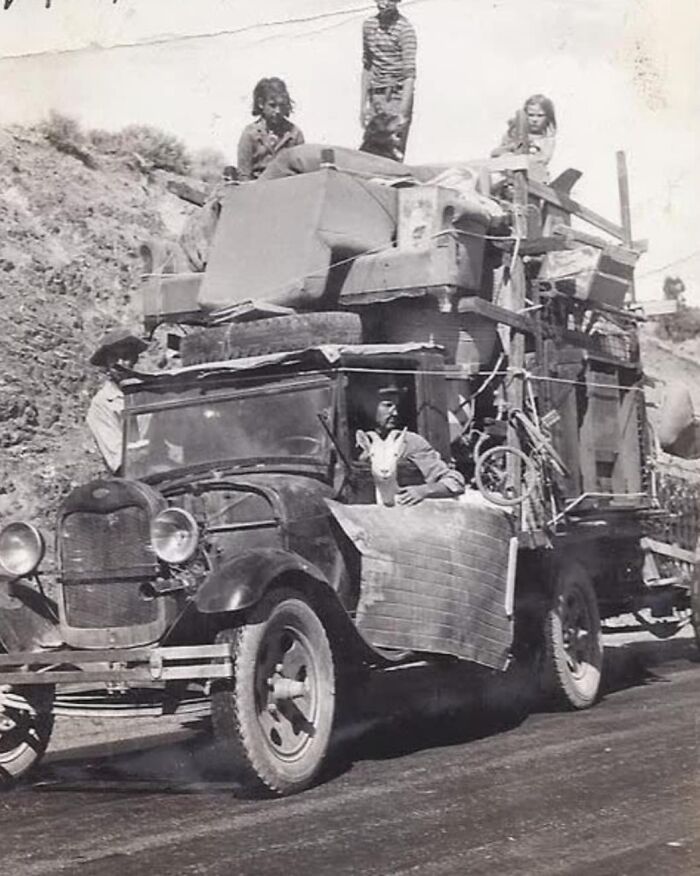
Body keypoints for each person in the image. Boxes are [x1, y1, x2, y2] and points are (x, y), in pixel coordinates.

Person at [359, 381, 465, 505]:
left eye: (397, 407)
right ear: (368, 405)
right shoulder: (354, 440)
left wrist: (423, 491)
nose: (395, 413)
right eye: (387, 405)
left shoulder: (410, 442)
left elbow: (454, 482)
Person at [360, 0, 417, 160]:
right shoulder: (369, 26)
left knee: (392, 156)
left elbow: (409, 76)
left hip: (396, 98)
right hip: (375, 98)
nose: (383, 3)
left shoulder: (405, 30)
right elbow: (367, 66)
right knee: (370, 154)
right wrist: (363, 106)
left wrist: (402, 115)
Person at [86, 328, 147, 475]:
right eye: (114, 357)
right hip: (137, 480)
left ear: (134, 359)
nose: (120, 363)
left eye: (126, 356)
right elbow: (120, 461)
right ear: (107, 364)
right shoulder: (102, 405)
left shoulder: (149, 392)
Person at [237, 77, 305, 182]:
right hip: (257, 191)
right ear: (261, 104)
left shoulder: (294, 134)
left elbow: (302, 171)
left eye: (281, 105)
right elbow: (244, 175)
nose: (278, 111)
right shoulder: (250, 134)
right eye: (272, 105)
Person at [491, 93, 557, 182]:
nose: (535, 120)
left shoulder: (547, 139)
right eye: (531, 115)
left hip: (534, 177)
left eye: (540, 115)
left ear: (548, 118)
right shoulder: (512, 134)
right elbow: (494, 153)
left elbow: (543, 159)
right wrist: (511, 147)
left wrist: (524, 153)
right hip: (509, 173)